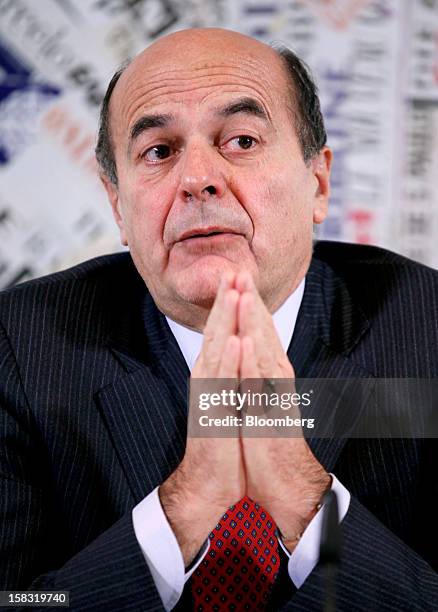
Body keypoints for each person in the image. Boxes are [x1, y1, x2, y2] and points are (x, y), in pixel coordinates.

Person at [0, 27, 437, 612]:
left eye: (240, 140)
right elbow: (23, 601)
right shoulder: (19, 345)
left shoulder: (425, 328)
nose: (197, 178)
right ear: (118, 207)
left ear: (318, 182)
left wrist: (307, 501)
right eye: (159, 151)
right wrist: (182, 509)